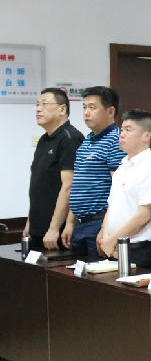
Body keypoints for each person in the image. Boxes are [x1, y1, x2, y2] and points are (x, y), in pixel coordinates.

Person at [63, 86, 127, 258]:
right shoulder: (87, 141)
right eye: (84, 107)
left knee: (98, 272)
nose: (86, 113)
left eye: (92, 107)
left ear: (110, 111)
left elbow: (119, 190)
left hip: (99, 223)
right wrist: (69, 222)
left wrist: (105, 229)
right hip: (80, 224)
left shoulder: (116, 140)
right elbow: (78, 185)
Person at [97, 109, 151, 269]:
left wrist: (112, 240)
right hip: (115, 247)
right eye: (122, 129)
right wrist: (105, 236)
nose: (122, 134)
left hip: (139, 249)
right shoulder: (122, 166)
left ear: (146, 136)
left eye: (128, 130)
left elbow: (144, 216)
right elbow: (111, 207)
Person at [27, 87, 83, 250]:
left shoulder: (70, 139)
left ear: (62, 109)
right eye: (37, 104)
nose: (38, 109)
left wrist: (54, 228)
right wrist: (30, 222)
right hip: (38, 227)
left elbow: (69, 186)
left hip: (57, 232)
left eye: (44, 104)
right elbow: (39, 184)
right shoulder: (43, 140)